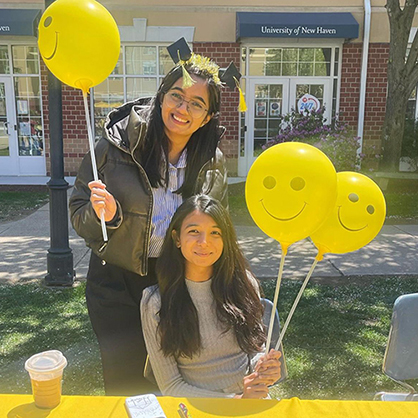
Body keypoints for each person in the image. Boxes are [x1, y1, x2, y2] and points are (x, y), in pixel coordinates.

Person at [69, 49, 229, 396]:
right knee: (124, 380)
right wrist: (108, 219)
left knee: (173, 379)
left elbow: (218, 225)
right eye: (176, 96)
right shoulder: (116, 146)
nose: (182, 109)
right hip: (116, 282)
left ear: (207, 116)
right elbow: (79, 209)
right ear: (162, 97)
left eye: (196, 104)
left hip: (177, 281)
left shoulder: (213, 162)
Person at [141, 195, 282, 398]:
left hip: (249, 399)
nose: (204, 242)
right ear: (176, 238)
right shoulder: (155, 301)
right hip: (194, 406)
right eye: (194, 231)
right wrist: (234, 401)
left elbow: (253, 350)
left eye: (215, 232)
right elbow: (171, 386)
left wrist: (261, 366)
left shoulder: (245, 284)